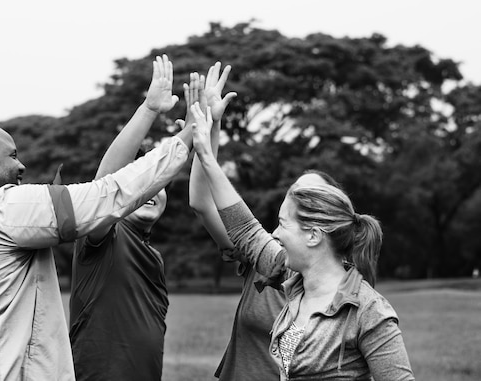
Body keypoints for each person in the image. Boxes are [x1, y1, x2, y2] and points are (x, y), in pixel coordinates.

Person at [0, 68, 194, 380]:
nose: (21, 165)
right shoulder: (6, 209)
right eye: (12, 156)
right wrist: (188, 135)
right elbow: (109, 193)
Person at [189, 102, 415, 380]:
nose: (274, 234)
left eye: (283, 224)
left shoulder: (369, 312)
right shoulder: (293, 281)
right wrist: (206, 156)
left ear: (313, 234)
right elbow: (245, 227)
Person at [188, 64, 344, 380]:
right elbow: (202, 203)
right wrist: (213, 127)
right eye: (298, 195)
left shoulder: (345, 286)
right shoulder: (263, 254)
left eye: (315, 198)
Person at [66, 55, 180, 381]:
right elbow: (105, 185)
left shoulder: (153, 256)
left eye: (159, 186)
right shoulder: (104, 234)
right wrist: (149, 110)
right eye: (142, 186)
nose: (152, 192)